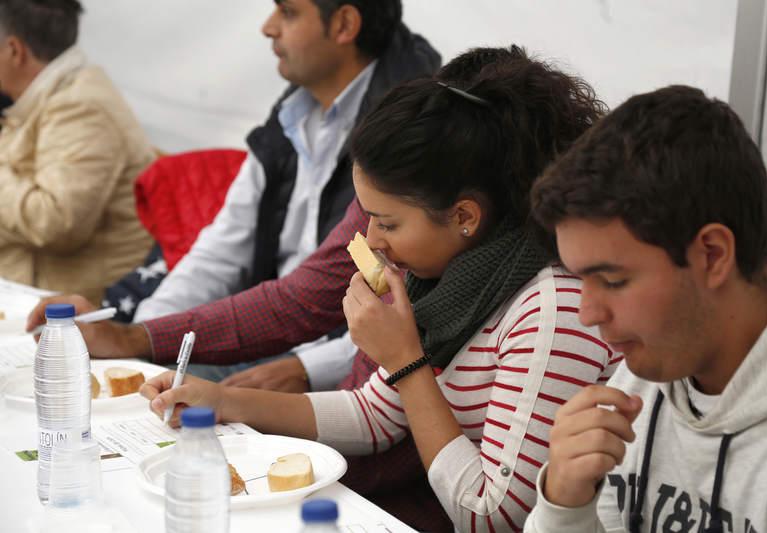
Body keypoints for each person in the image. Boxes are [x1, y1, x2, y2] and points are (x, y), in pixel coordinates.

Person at [140, 52, 618, 532]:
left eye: (387, 222)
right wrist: (224, 401)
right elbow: (372, 416)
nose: (370, 239)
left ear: (465, 217)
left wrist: (406, 361)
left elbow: (492, 518)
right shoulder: (449, 278)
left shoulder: (552, 308)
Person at [31, 0, 440, 393]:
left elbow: (415, 309)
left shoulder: (414, 130)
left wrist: (307, 370)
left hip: (352, 369)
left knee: (144, 401)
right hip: (272, 335)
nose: (268, 27)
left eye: (288, 11)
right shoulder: (292, 112)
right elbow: (227, 253)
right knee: (119, 383)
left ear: (344, 25)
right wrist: (138, 338)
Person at [523, 86, 767, 532]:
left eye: (612, 281)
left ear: (712, 255)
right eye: (580, 280)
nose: (587, 313)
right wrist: (564, 505)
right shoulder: (650, 367)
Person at [0, 0, 154, 303]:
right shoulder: (50, 95)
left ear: (15, 51)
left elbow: (54, 222)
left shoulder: (81, 106)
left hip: (66, 318)